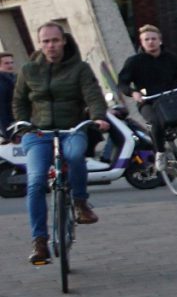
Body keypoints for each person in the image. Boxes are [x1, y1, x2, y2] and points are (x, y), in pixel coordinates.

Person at [14, 21, 107, 266]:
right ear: (40, 43)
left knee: (76, 156)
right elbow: (19, 101)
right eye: (45, 41)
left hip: (71, 129)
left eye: (55, 40)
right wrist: (22, 123)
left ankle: (80, 203)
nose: (50, 45)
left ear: (63, 41)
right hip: (38, 133)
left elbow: (93, 95)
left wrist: (98, 117)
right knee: (35, 183)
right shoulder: (28, 70)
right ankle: (40, 242)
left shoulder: (80, 69)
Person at [116, 25, 177, 152]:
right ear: (142, 42)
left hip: (172, 99)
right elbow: (122, 83)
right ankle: (160, 153)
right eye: (146, 39)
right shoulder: (134, 62)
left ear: (160, 40)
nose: (150, 42)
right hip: (149, 101)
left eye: (153, 39)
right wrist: (133, 93)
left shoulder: (171, 58)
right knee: (155, 122)